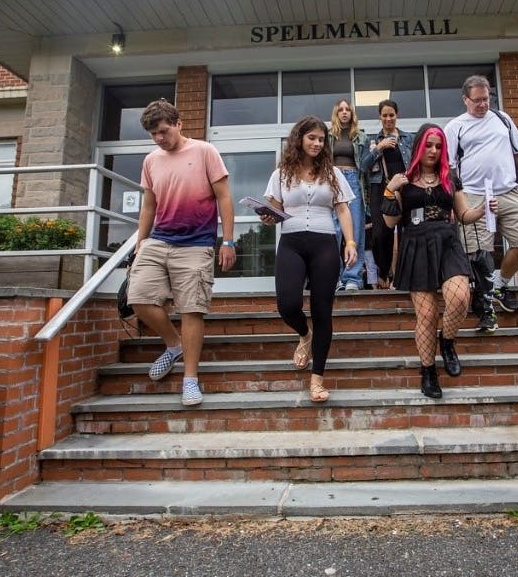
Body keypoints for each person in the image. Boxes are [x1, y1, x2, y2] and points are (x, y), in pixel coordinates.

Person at [128, 99, 237, 407]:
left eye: (164, 131)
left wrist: (227, 241)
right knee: (138, 298)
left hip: (197, 244)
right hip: (158, 240)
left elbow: (224, 198)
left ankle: (190, 380)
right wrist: (140, 243)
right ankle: (173, 345)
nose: (160, 138)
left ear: (178, 124)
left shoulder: (205, 152)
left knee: (191, 310)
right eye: (154, 135)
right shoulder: (151, 160)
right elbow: (149, 205)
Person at [383, 123, 489, 398]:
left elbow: (464, 215)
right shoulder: (403, 180)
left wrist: (484, 209)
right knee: (427, 315)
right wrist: (388, 191)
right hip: (416, 244)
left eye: (438, 146)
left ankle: (448, 341)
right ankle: (428, 371)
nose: (433, 150)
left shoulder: (450, 178)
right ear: (419, 146)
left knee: (460, 297)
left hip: (447, 242)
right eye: (428, 145)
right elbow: (390, 221)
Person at [261, 116, 357, 403]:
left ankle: (317, 380)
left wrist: (349, 242)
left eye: (321, 139)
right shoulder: (281, 173)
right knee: (287, 304)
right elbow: (274, 211)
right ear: (299, 139)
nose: (317, 143)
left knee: (322, 310)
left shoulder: (333, 173)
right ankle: (305, 334)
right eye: (311, 138)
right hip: (291, 241)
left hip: (324, 242)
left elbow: (342, 210)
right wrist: (267, 217)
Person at [443, 75, 518, 332]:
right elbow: (450, 168)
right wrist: (456, 200)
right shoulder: (455, 127)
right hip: (474, 194)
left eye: (486, 99)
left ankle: (499, 284)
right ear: (465, 99)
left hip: (508, 190)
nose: (483, 105)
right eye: (477, 101)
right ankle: (486, 307)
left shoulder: (503, 119)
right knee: (478, 253)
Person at [360, 99, 413, 289]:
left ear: (397, 115)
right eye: (384, 115)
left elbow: (414, 164)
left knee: (408, 232)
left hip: (404, 189)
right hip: (379, 189)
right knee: (381, 233)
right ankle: (383, 273)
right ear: (379, 117)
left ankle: (403, 277)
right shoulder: (372, 141)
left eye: (391, 115)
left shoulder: (408, 139)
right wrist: (380, 147)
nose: (388, 119)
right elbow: (363, 166)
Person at [329, 99, 369, 290]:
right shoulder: (329, 136)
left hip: (354, 180)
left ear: (352, 114)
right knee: (334, 230)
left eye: (348, 110)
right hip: (334, 179)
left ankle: (353, 277)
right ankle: (334, 277)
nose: (344, 113)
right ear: (336, 113)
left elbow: (366, 164)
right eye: (341, 110)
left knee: (355, 229)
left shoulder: (360, 136)